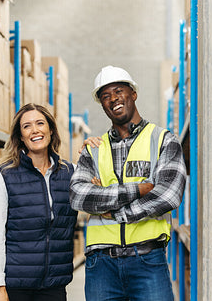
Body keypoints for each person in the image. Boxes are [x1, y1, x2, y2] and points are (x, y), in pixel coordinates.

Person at [70, 65, 187, 301]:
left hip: (147, 260)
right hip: (100, 264)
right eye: (105, 96)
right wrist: (138, 189)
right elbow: (79, 196)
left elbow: (168, 195)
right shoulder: (93, 148)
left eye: (118, 91)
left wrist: (112, 210)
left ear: (133, 93)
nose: (113, 99)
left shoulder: (163, 140)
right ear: (101, 104)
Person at [0, 103, 78, 301]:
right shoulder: (4, 177)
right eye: (27, 126)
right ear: (20, 136)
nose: (35, 130)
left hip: (54, 285)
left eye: (40, 123)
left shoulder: (71, 173)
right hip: (15, 287)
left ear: (50, 129)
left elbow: (97, 203)